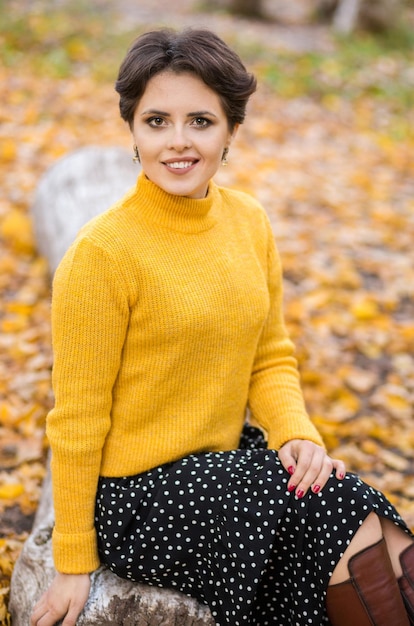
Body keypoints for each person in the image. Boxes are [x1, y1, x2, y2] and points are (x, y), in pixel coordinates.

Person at [30, 27, 414, 626]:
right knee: (341, 508)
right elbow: (77, 419)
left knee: (350, 513)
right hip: (139, 499)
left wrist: (296, 434)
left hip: (226, 468)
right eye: (156, 121)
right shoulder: (100, 255)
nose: (177, 143)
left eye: (200, 122)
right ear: (131, 129)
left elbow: (270, 354)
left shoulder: (248, 223)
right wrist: (71, 561)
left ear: (231, 130)